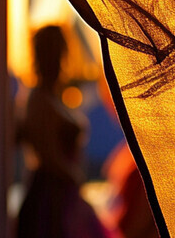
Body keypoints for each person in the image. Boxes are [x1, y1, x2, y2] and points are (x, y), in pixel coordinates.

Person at [16, 25, 112, 238]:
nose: (60, 61)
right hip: (51, 199)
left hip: (64, 194)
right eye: (57, 53)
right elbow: (47, 155)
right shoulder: (39, 100)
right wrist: (75, 177)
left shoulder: (52, 98)